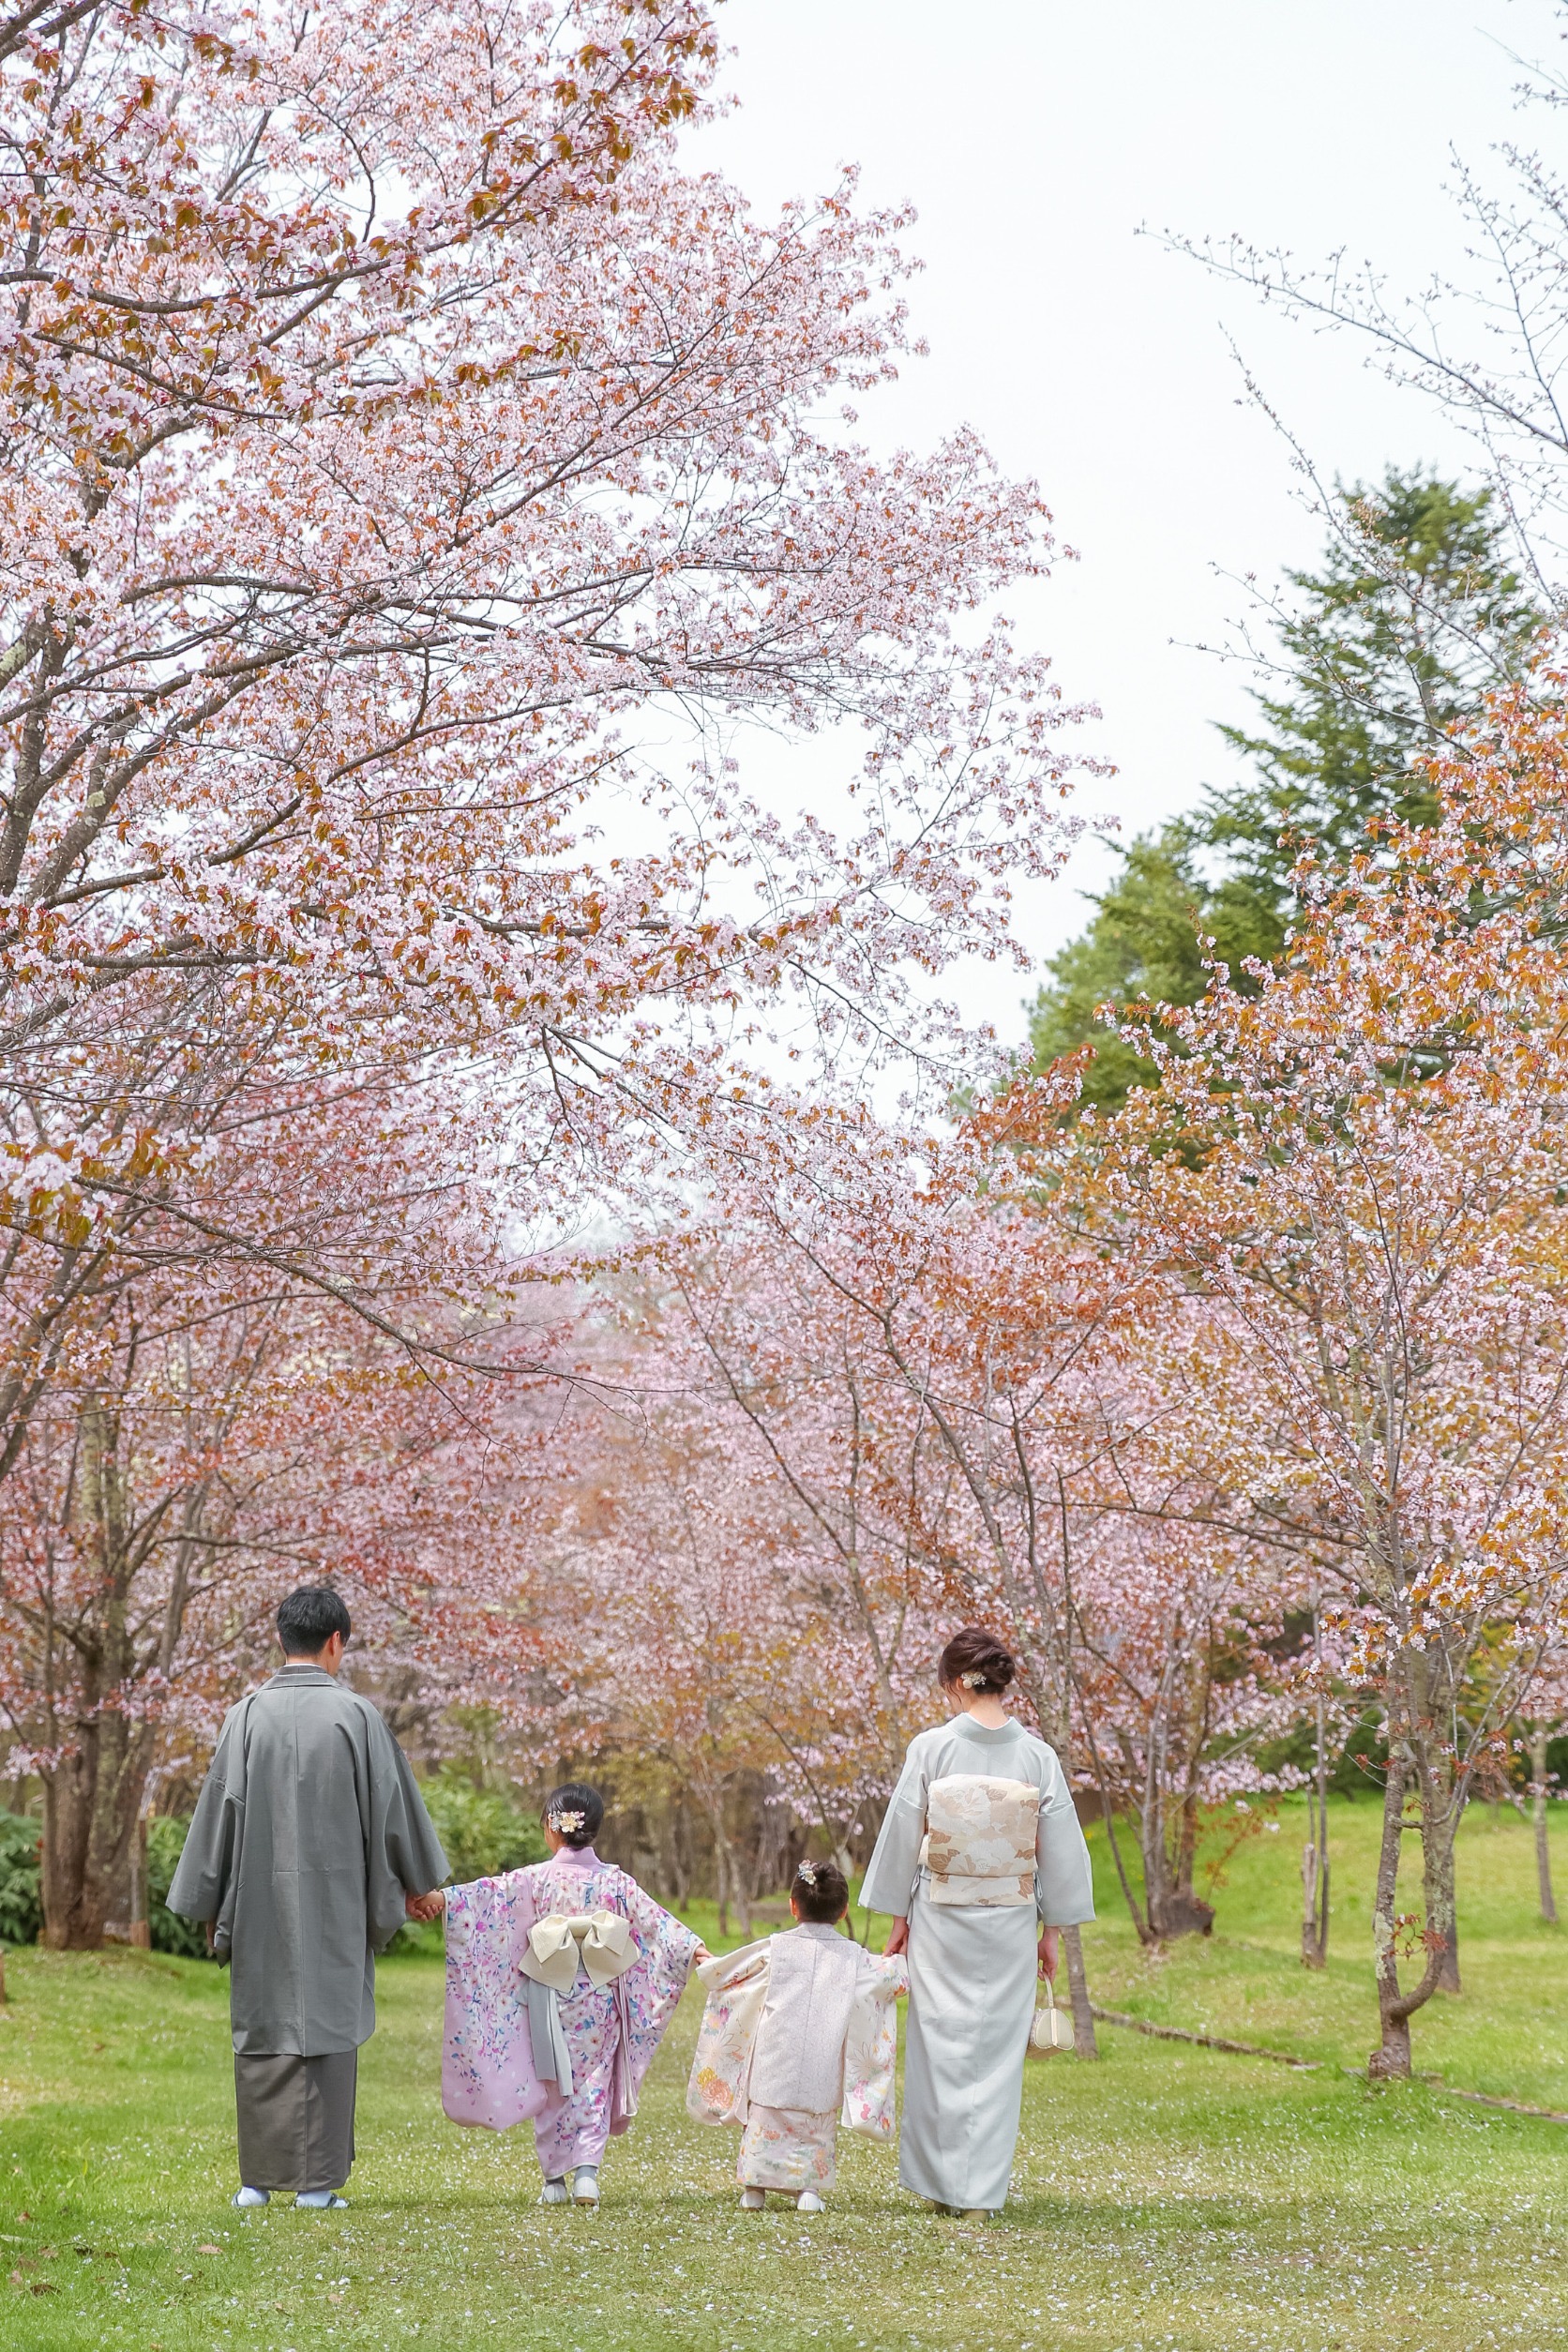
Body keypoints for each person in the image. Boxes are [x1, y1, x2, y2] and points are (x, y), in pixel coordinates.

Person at [167, 1585, 449, 2210]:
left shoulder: (244, 1716)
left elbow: (219, 1815)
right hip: (337, 1902)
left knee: (265, 2026)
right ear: (335, 1642)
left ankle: (256, 2184)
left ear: (281, 1640)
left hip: (259, 1904)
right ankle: (317, 2187)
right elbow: (391, 1812)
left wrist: (206, 1899)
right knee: (325, 2025)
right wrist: (418, 1882)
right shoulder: (357, 1717)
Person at [858, 1625, 1094, 2220]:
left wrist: (897, 1919)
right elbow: (1059, 1852)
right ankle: (979, 2197)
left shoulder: (931, 1749)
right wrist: (1050, 1932)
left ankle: (944, 2185)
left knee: (941, 2047)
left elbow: (902, 1837)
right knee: (996, 2056)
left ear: (955, 1684)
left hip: (941, 1914)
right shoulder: (1037, 1756)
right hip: (1012, 1917)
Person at [430, 1781, 708, 2207]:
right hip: (600, 1999)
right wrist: (695, 1950)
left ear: (551, 1828)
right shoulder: (616, 1883)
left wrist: (441, 1900)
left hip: (548, 1997)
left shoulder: (535, 1879)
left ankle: (553, 2182)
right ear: (593, 1830)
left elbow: (487, 1895)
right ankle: (588, 2176)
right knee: (594, 2080)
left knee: (553, 2082)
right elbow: (660, 1923)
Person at [686, 1856, 906, 2213]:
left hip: (774, 2060)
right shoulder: (855, 1958)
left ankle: (754, 2189)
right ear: (844, 1910)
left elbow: (730, 1973)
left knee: (764, 2123)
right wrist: (902, 1956)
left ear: (792, 1906)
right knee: (813, 2130)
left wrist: (706, 1962)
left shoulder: (774, 1949)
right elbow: (893, 1979)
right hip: (823, 2063)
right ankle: (807, 2191)